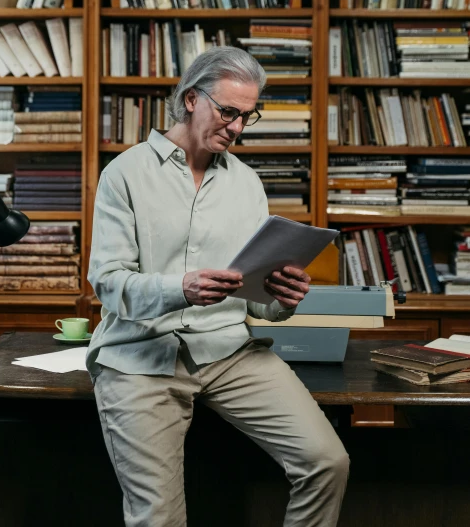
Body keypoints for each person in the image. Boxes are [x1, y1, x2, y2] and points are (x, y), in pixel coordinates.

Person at [87, 46, 349, 527]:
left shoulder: (247, 184)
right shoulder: (124, 174)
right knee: (158, 518)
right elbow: (108, 283)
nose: (236, 127)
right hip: (142, 355)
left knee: (326, 461)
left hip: (230, 351)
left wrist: (282, 298)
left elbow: (259, 299)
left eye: (248, 116)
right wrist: (179, 289)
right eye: (228, 111)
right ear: (191, 99)